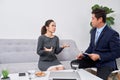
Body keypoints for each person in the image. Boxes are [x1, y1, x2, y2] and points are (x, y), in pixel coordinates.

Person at [71, 8, 120, 80]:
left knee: (99, 78)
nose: (91, 21)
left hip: (106, 63)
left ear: (100, 19)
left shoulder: (112, 34)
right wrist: (83, 55)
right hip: (93, 61)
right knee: (74, 63)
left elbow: (117, 53)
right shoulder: (93, 31)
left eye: (93, 18)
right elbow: (91, 47)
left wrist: (99, 56)